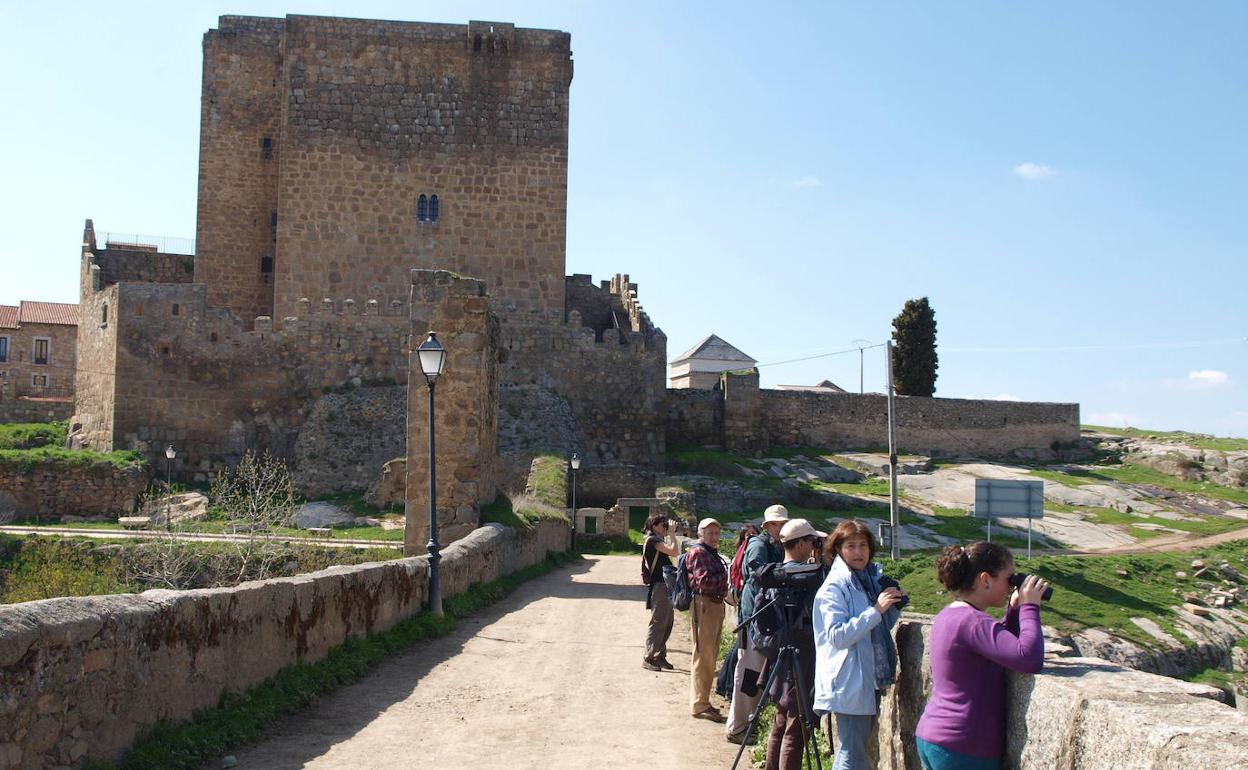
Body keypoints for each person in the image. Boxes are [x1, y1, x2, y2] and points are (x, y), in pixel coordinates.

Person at [915, 542, 1047, 770]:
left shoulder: (951, 615)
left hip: (935, 735)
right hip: (964, 746)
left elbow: (1002, 647)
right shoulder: (974, 621)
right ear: (985, 580)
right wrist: (1030, 607)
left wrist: (1014, 610)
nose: (1011, 586)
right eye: (1009, 578)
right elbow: (1029, 657)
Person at [813, 520, 907, 770]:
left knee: (853, 752)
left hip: (864, 677)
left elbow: (873, 631)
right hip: (849, 679)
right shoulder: (835, 587)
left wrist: (892, 606)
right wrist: (876, 609)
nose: (858, 552)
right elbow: (838, 635)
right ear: (838, 550)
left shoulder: (863, 581)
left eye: (863, 545)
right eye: (851, 546)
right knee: (851, 755)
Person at [760, 518, 827, 770]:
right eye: (812, 541)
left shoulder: (777, 575)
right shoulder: (804, 579)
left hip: (779, 657)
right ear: (799, 544)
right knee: (796, 728)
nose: (814, 546)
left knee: (781, 722)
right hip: (800, 660)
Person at [726, 504, 789, 743]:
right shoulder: (758, 546)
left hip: (762, 621)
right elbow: (759, 574)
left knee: (755, 675)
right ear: (768, 526)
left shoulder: (772, 546)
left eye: (783, 524)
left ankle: (745, 723)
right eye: (778, 524)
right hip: (754, 621)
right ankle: (737, 727)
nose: (781, 528)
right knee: (749, 675)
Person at [687, 517, 729, 722]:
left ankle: (703, 701)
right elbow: (705, 582)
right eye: (710, 533)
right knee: (704, 656)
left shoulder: (709, 553)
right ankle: (699, 704)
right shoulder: (699, 552)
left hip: (712, 605)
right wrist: (725, 576)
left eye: (716, 533)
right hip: (705, 605)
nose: (714, 537)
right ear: (700, 534)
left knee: (709, 655)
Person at [717, 523, 761, 699]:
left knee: (739, 647)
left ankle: (724, 685)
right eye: (747, 535)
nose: (750, 538)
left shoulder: (742, 553)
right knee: (740, 648)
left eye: (753, 535)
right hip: (746, 605)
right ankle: (726, 686)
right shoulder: (746, 554)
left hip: (743, 603)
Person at [642, 514, 679, 671]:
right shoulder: (653, 541)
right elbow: (674, 552)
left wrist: (669, 534)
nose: (665, 526)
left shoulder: (657, 540)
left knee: (667, 622)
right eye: (663, 524)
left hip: (665, 586)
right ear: (654, 526)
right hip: (659, 586)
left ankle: (659, 656)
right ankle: (648, 658)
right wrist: (672, 533)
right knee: (658, 623)